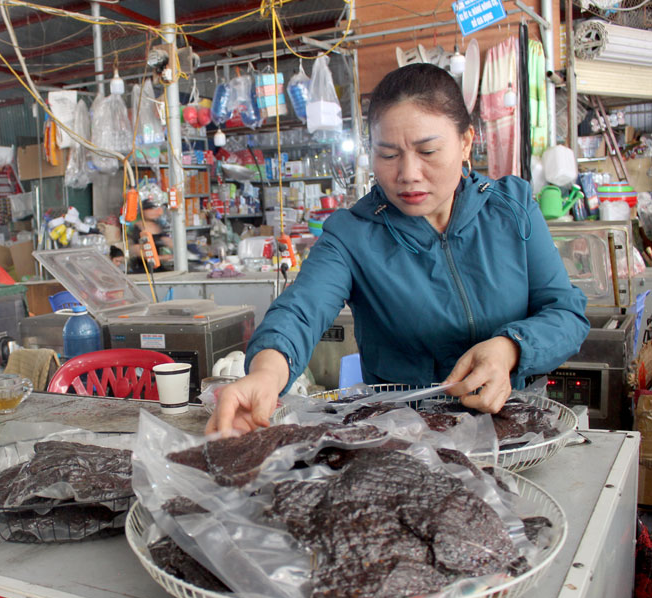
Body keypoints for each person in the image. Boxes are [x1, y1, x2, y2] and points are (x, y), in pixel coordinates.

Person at [208, 63, 589, 435]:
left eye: (428, 151)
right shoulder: (353, 233)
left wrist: (510, 348)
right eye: (388, 155)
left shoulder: (512, 208)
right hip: (402, 442)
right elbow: (301, 311)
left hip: (513, 433)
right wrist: (265, 373)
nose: (407, 173)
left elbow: (566, 312)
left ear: (466, 142)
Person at [128, 197, 173, 271]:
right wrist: (162, 258)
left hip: (158, 266)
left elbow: (167, 241)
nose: (154, 212)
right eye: (150, 209)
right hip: (143, 269)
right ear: (143, 211)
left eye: (155, 209)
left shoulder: (158, 225)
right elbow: (137, 251)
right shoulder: (137, 227)